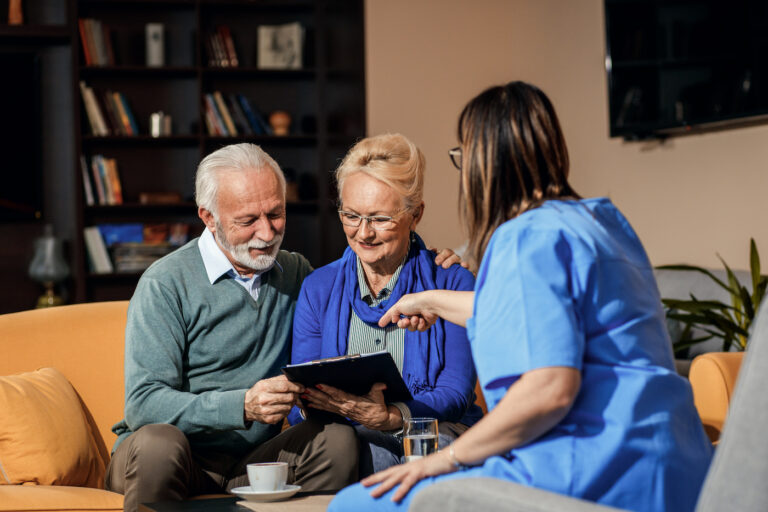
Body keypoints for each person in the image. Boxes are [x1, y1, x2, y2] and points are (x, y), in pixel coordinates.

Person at [327, 82, 713, 512]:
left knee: (356, 505)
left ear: (484, 163)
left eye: (463, 155)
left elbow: (551, 390)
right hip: (674, 461)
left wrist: (447, 458)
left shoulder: (526, 237)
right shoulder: (602, 220)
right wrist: (430, 301)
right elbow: (540, 315)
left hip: (595, 465)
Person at [105, 144, 360, 512]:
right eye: (248, 220)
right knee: (159, 444)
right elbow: (143, 405)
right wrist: (241, 406)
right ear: (209, 217)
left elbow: (358, 272)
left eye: (276, 214)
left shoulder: (295, 272)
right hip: (170, 457)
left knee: (336, 440)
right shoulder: (165, 283)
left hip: (253, 460)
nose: (267, 232)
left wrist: (428, 259)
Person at [288, 134, 482, 477]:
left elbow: (455, 394)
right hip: (343, 443)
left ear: (416, 213)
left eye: (379, 219)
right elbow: (300, 396)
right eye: (351, 215)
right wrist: (313, 406)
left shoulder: (451, 282)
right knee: (350, 447)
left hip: (434, 435)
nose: (363, 233)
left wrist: (391, 417)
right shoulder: (318, 288)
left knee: (375, 452)